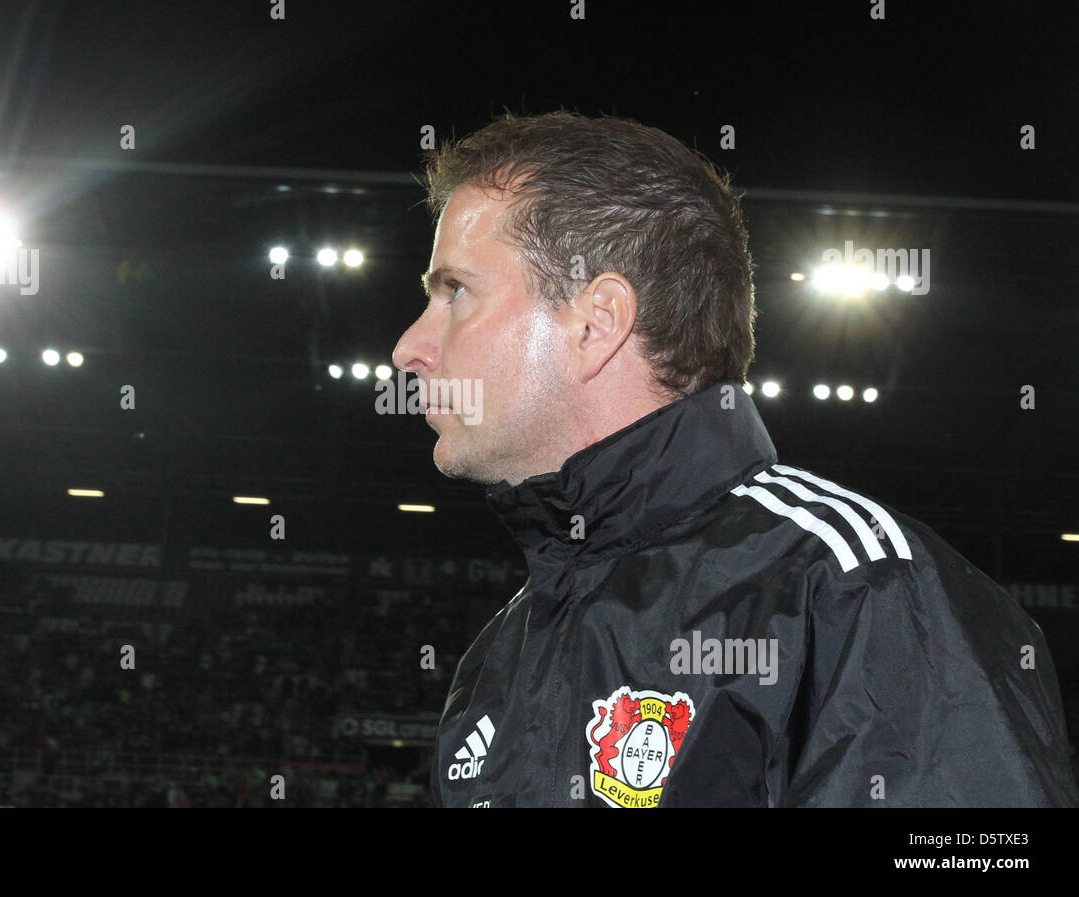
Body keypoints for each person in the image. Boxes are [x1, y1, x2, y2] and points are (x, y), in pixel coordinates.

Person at [391, 109, 1079, 808]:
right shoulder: (497, 656)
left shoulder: (857, 588)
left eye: (454, 292)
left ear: (595, 324)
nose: (409, 348)